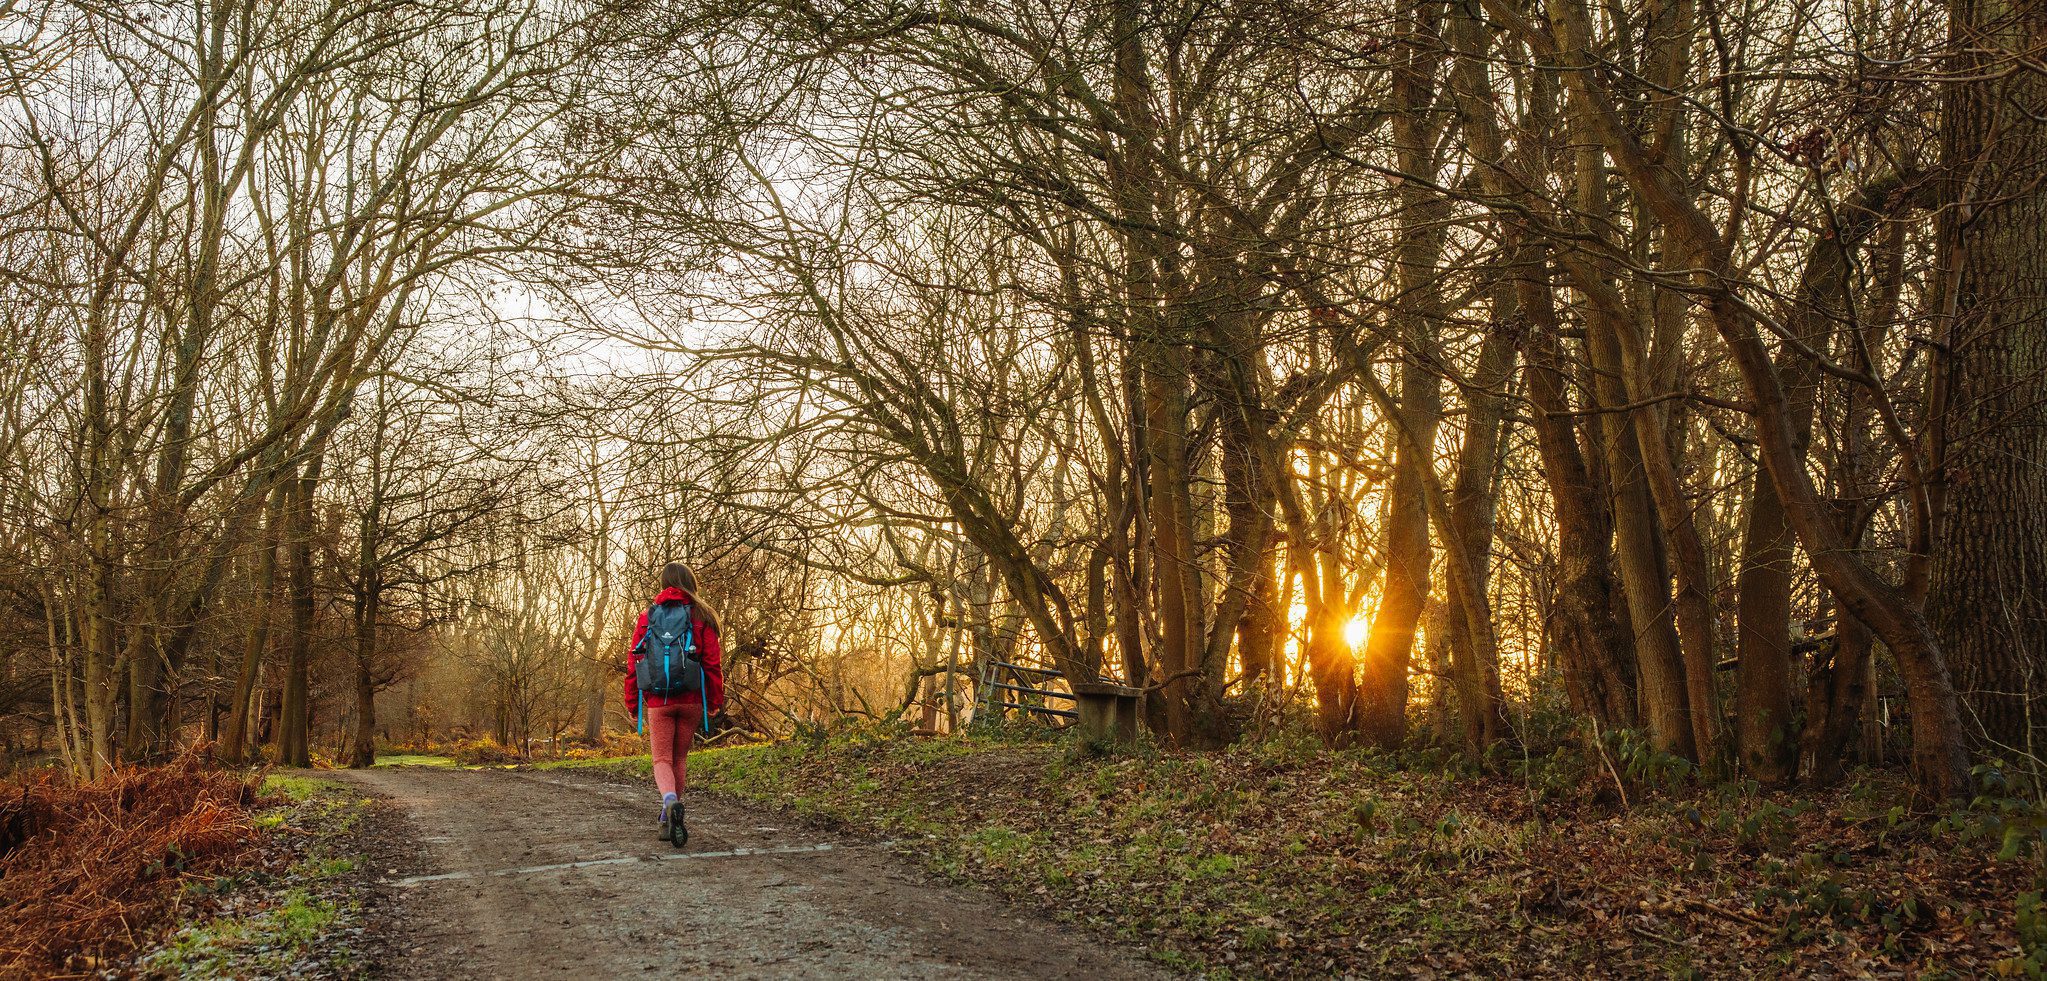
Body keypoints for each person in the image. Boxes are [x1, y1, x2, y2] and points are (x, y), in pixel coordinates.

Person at [621, 562, 725, 845]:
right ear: (691, 583)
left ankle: (669, 801)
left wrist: (633, 702)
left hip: (658, 700)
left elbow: (634, 663)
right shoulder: (703, 616)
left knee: (661, 759)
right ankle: (667, 817)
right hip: (691, 698)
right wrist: (714, 699)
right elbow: (712, 664)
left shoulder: (648, 616)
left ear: (664, 583)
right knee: (679, 759)